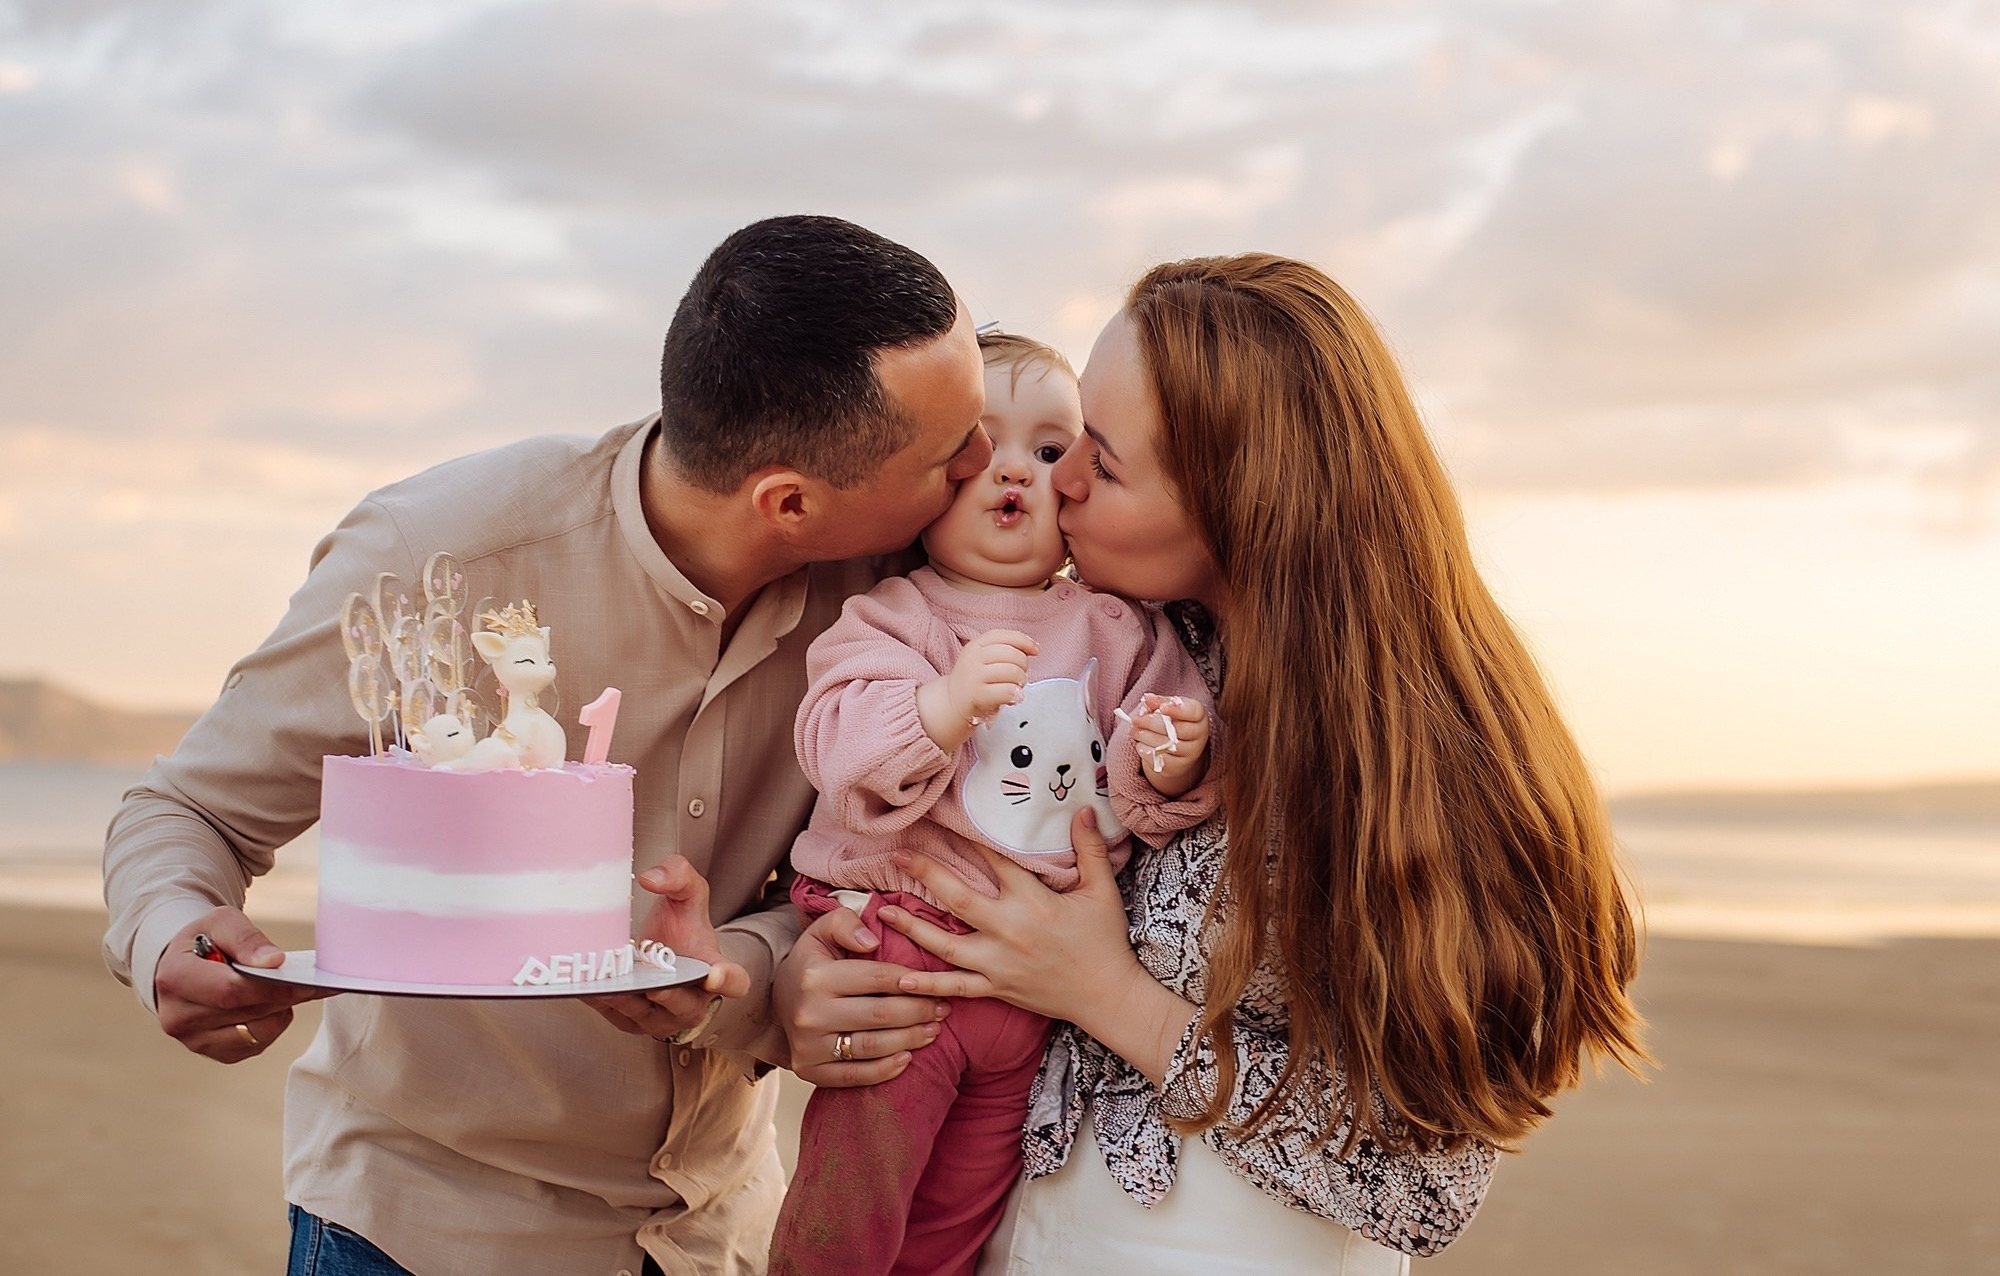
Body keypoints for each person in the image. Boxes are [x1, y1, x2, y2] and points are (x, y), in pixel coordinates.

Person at [101, 214, 996, 1276]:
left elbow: (854, 882)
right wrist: (169, 936)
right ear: (788, 502)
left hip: (716, 1232)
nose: (985, 465)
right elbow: (187, 811)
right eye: (952, 451)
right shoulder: (434, 554)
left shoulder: (916, 610)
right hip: (418, 1230)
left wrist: (749, 976)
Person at [877, 255, 1649, 1274]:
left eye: (1097, 463)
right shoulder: (1114, 646)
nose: (1053, 481)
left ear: (1240, 503)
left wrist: (1108, 995)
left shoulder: (1418, 759)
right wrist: (811, 984)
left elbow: (1423, 1185)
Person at [767, 332, 1218, 1276]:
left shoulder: (1114, 624)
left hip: (1036, 997)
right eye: (982, 448)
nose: (1016, 470)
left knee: (958, 1226)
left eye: (1052, 451)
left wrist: (1170, 759)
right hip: (905, 960)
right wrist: (937, 706)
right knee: (852, 1204)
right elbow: (838, 747)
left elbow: (1149, 759)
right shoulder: (898, 614)